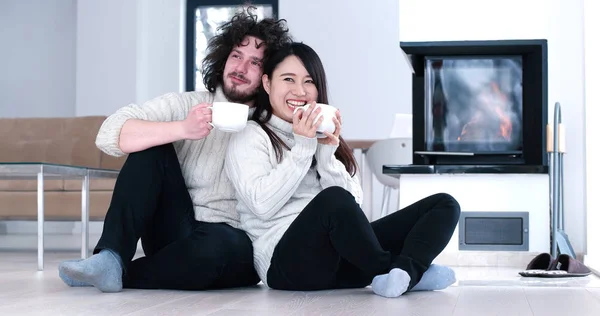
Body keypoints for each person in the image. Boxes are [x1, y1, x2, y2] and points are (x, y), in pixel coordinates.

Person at [58, 7, 292, 293]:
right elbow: (108, 134)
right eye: (236, 56)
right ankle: (111, 256)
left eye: (255, 63)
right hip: (173, 231)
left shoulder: (273, 128)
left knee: (221, 247)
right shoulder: (187, 105)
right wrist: (181, 129)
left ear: (268, 77)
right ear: (223, 59)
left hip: (229, 243)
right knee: (150, 146)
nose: (241, 68)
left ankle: (121, 272)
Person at [224, 42, 461, 298]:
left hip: (343, 263)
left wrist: (326, 155)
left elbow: (352, 209)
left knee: (444, 204)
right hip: (287, 266)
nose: (300, 91)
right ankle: (396, 270)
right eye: (288, 79)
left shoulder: (319, 138)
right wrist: (303, 147)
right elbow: (261, 205)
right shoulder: (251, 135)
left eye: (309, 82)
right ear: (268, 83)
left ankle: (403, 273)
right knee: (332, 199)